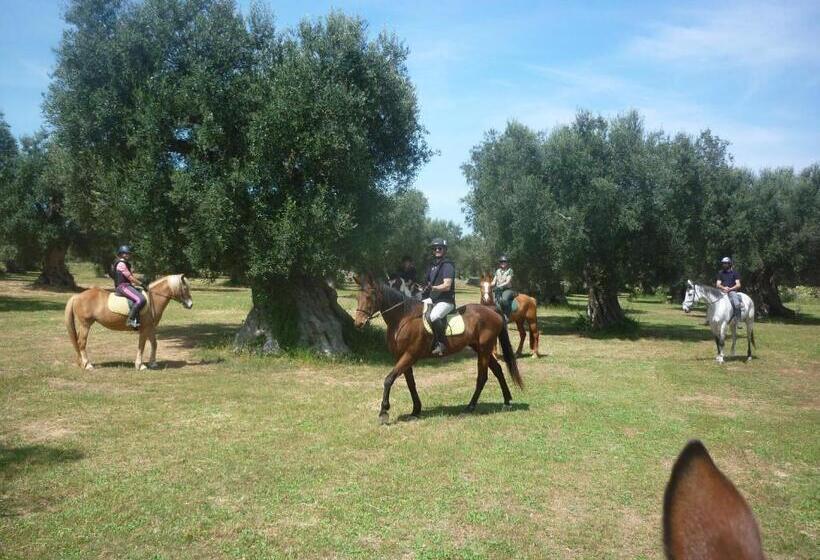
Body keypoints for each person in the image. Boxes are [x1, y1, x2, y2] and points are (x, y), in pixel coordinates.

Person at [421, 238, 456, 356]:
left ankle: (441, 343)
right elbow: (427, 282)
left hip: (446, 300)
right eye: (435, 248)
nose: (437, 250)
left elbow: (447, 286)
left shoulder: (447, 265)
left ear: (444, 250)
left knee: (434, 316)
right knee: (417, 309)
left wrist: (434, 288)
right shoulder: (432, 265)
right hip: (433, 298)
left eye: (440, 248)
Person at [111, 245, 146, 329]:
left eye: (128, 253)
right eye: (125, 253)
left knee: (140, 293)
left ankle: (137, 320)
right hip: (123, 287)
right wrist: (141, 284)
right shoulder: (121, 264)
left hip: (126, 285)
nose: (127, 255)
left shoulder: (124, 263)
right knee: (141, 299)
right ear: (121, 254)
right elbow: (130, 277)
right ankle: (130, 320)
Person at [716, 256, 743, 322]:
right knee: (712, 301)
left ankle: (738, 319)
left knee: (736, 303)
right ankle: (709, 318)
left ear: (729, 264)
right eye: (723, 263)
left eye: (726, 263)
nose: (724, 265)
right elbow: (718, 284)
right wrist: (724, 287)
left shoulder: (735, 273)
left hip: (732, 291)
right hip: (722, 291)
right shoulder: (720, 273)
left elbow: (738, 284)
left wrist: (730, 289)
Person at [492, 255, 516, 320]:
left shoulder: (510, 270)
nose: (503, 263)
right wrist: (488, 285)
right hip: (498, 289)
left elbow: (507, 282)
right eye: (501, 262)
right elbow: (494, 281)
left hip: (507, 289)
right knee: (492, 300)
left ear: (507, 263)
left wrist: (499, 286)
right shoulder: (497, 271)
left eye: (504, 261)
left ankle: (506, 315)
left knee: (504, 300)